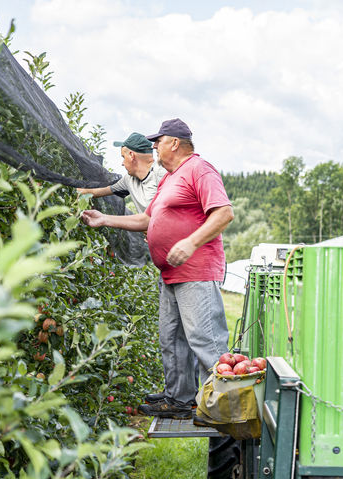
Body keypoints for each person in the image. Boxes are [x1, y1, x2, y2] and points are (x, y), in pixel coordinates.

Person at [80, 118, 234, 419]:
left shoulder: (199, 170)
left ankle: (222, 409)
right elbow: (146, 220)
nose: (154, 147)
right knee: (171, 339)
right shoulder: (169, 178)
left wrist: (190, 242)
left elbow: (224, 213)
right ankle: (180, 400)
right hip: (170, 273)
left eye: (158, 141)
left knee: (205, 340)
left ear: (174, 143)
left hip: (196, 271)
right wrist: (104, 219)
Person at [77, 132, 166, 214]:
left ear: (131, 155)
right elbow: (100, 191)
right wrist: (76, 192)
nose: (122, 163)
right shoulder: (129, 180)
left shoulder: (163, 175)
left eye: (123, 157)